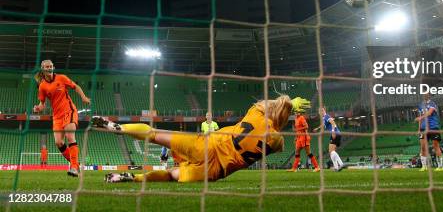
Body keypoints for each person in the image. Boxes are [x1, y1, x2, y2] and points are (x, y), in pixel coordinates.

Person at [97, 96, 310, 183]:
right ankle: (132, 178)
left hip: (208, 145)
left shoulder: (256, 113)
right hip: (216, 170)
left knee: (154, 134)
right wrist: (287, 111)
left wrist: (286, 101)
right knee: (172, 175)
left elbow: (265, 104)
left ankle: (118, 127)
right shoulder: (278, 141)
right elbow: (276, 134)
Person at [33, 60, 90, 177]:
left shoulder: (62, 78)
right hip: (57, 116)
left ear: (53, 67)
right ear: (42, 69)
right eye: (46, 67)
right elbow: (42, 103)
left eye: (51, 66)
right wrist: (38, 108)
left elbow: (76, 86)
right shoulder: (42, 86)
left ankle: (74, 167)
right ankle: (76, 165)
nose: (49, 68)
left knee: (70, 136)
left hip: (69, 110)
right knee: (59, 142)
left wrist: (83, 97)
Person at [416, 93, 443, 171]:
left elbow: (429, 113)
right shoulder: (420, 105)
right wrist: (419, 128)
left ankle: (440, 166)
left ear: (429, 95)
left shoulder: (432, 103)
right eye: (423, 94)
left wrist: (420, 117)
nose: (425, 95)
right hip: (423, 128)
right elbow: (421, 118)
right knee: (423, 147)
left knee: (436, 146)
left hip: (433, 127)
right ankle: (424, 166)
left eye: (426, 94)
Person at [289, 107, 320, 172]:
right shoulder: (296, 119)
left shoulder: (302, 118)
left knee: (308, 153)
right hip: (299, 138)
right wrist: (296, 137)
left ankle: (317, 167)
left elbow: (306, 126)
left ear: (300, 112)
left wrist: (297, 130)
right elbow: (297, 130)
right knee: (297, 152)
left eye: (298, 112)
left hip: (304, 137)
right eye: (295, 112)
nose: (296, 113)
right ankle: (294, 168)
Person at [316, 107, 344, 171]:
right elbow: (323, 124)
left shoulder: (326, 116)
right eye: (319, 111)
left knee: (331, 151)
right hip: (337, 134)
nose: (320, 112)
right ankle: (336, 167)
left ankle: (341, 164)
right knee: (331, 151)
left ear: (324, 111)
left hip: (335, 133)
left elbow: (333, 122)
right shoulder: (324, 118)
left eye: (322, 110)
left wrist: (333, 131)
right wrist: (317, 128)